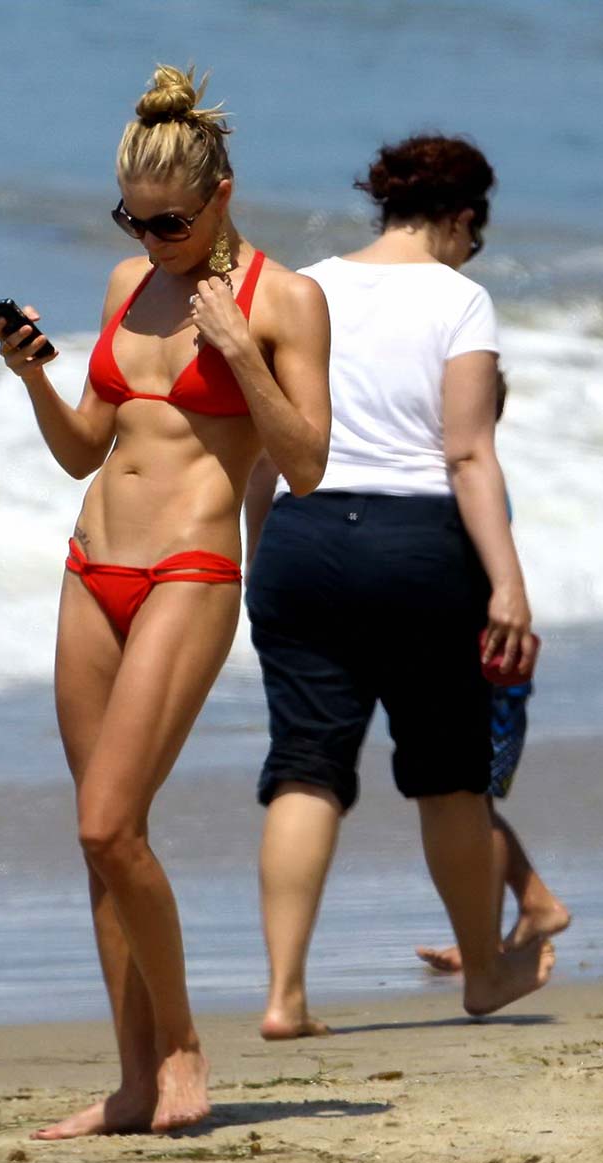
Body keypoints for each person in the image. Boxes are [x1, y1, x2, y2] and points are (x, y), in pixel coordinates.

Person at [0, 64, 330, 1135]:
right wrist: (34, 377)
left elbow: (307, 463)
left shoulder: (285, 300)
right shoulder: (124, 288)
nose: (153, 239)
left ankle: (182, 1048)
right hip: (91, 569)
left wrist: (241, 355)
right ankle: (135, 1082)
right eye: (134, 221)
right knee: (102, 838)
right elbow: (83, 450)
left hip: (190, 572)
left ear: (221, 193)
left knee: (108, 824)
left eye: (172, 222)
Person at [244, 132, 555, 1040]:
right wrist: (508, 582)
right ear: (461, 218)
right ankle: (484, 975)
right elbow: (466, 452)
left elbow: (265, 448)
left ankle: (284, 997)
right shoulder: (459, 299)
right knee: (450, 779)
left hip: (302, 539)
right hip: (418, 548)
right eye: (474, 235)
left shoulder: (301, 285)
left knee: (305, 766)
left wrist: (262, 555)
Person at [415, 370, 570, 972]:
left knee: (466, 799)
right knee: (467, 799)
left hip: (485, 661)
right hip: (488, 657)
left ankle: (529, 909)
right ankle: (517, 915)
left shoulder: (469, 480)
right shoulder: (467, 475)